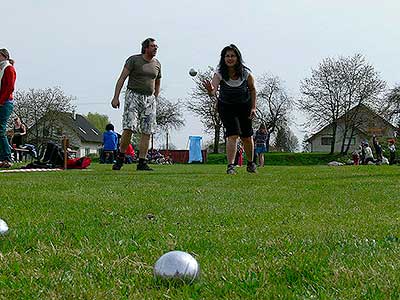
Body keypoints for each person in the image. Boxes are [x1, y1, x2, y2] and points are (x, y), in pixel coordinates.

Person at [203, 44, 257, 174]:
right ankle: (230, 166)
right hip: (226, 107)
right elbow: (213, 92)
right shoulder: (219, 73)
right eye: (227, 56)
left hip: (244, 106)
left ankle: (250, 163)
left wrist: (253, 108)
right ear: (223, 58)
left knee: (246, 137)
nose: (230, 58)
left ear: (237, 58)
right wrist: (210, 90)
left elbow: (253, 89)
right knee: (232, 135)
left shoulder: (245, 73)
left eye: (232, 56)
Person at [111, 38, 161, 171]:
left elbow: (157, 82)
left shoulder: (157, 64)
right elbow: (122, 78)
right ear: (145, 48)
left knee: (147, 130)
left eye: (156, 46)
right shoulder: (134, 60)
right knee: (129, 127)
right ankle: (120, 158)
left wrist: (155, 96)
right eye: (152, 46)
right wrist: (115, 97)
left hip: (149, 99)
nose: (155, 48)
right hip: (133, 95)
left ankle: (142, 161)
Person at [0, 48, 16, 168]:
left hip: (5, 103)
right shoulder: (2, 69)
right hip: (2, 102)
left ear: (4, 56)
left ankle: (7, 157)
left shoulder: (9, 68)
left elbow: (10, 87)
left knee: (1, 130)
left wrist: (1, 101)